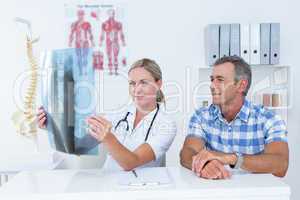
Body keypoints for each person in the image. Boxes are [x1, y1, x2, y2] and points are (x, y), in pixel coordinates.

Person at [38, 58, 177, 171]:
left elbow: (131, 163)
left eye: (144, 82)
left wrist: (108, 138)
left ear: (158, 84)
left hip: (142, 189)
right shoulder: (118, 115)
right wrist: (52, 126)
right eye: (132, 83)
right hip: (108, 187)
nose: (137, 89)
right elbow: (79, 147)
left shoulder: (166, 124)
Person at [180, 56, 289, 179]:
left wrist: (231, 159)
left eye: (220, 80)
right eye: (212, 79)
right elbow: (187, 152)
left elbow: (281, 165)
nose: (211, 85)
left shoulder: (269, 119)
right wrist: (203, 164)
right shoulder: (201, 116)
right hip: (215, 193)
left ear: (241, 85)